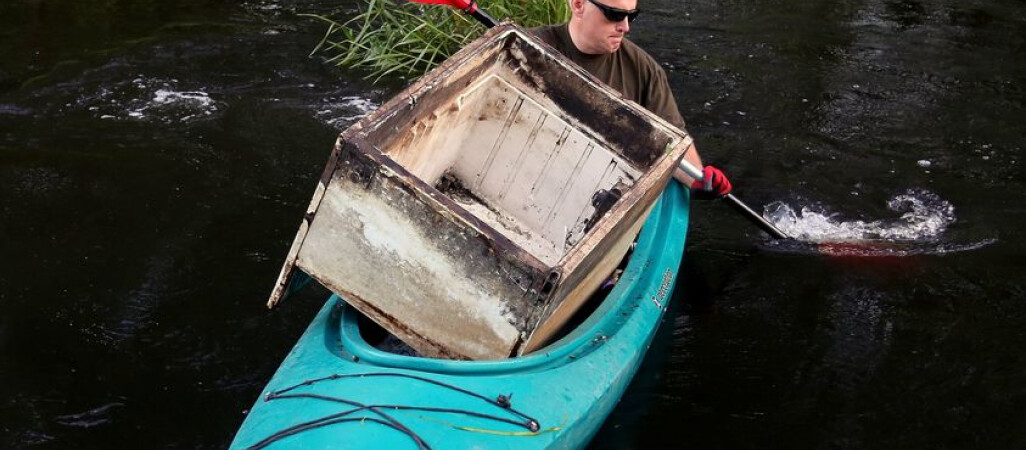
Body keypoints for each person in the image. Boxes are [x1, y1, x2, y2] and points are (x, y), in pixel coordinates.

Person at [532, 0, 732, 198]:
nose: (625, 27)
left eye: (631, 15)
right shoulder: (525, 48)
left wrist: (698, 179)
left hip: (599, 191)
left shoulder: (644, 71)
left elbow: (673, 146)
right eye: (615, 15)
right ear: (578, 5)